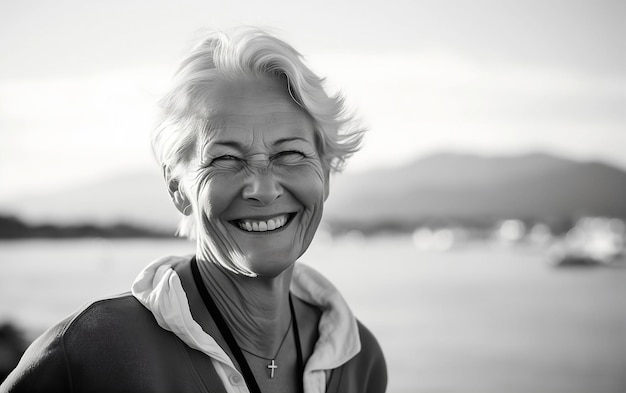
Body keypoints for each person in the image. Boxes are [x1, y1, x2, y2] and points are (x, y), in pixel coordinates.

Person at [1, 28, 387, 393]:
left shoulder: (356, 360)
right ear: (178, 189)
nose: (264, 189)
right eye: (225, 159)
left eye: (290, 154)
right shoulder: (88, 354)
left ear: (326, 173)